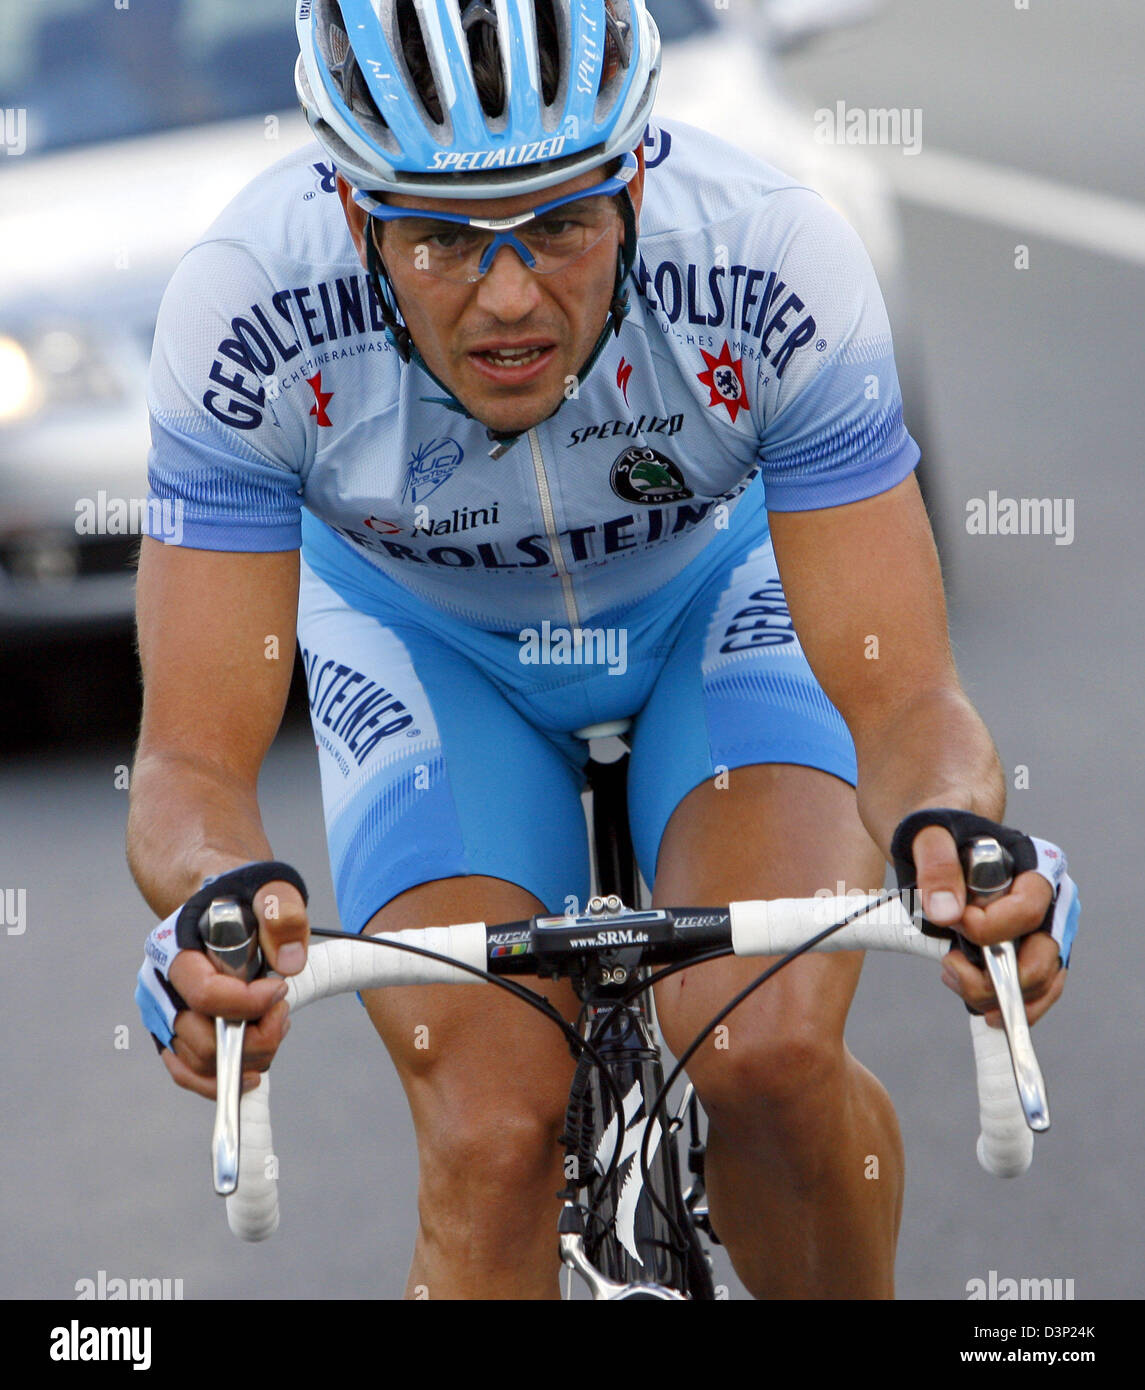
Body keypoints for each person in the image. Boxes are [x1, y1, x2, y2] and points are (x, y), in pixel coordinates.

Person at [131, 0, 1076, 1299]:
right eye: (444, 239)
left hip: (710, 598)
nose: (508, 296)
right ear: (355, 219)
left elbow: (909, 694)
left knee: (767, 1046)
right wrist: (213, 900)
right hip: (427, 641)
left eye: (561, 226)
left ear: (636, 183)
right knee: (486, 1127)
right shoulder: (246, 301)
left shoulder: (771, 254)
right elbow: (187, 762)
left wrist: (960, 835)